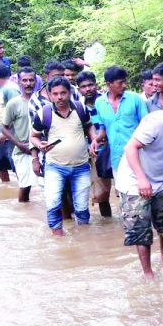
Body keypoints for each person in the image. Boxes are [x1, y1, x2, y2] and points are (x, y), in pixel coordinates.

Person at [116, 102, 163, 278]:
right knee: (140, 228)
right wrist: (141, 179)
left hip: (161, 179)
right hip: (134, 180)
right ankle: (148, 273)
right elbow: (130, 148)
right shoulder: (156, 121)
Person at [30, 77, 98, 236]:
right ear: (50, 94)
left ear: (69, 92)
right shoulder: (43, 114)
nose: (59, 97)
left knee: (82, 208)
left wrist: (94, 139)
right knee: (53, 204)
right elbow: (34, 136)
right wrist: (40, 146)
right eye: (55, 94)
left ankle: (83, 238)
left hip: (81, 166)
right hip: (55, 167)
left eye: (63, 93)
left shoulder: (81, 109)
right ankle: (58, 239)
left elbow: (89, 126)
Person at [94, 66, 149, 180]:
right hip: (116, 159)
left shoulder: (135, 99)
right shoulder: (99, 103)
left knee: (139, 194)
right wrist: (96, 140)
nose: (124, 85)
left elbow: (147, 126)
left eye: (125, 82)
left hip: (138, 159)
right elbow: (104, 128)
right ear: (109, 84)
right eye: (120, 82)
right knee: (122, 195)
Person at [1, 67, 40, 202]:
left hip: (42, 148)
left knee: (51, 186)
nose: (28, 83)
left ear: (36, 82)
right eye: (24, 80)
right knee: (25, 187)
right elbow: (4, 128)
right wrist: (19, 144)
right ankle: (24, 210)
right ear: (19, 82)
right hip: (23, 152)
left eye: (31, 80)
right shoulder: (13, 103)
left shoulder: (42, 101)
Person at [77, 71, 113, 217]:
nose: (88, 89)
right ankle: (108, 223)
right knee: (101, 194)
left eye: (90, 85)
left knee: (125, 190)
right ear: (79, 89)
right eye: (83, 86)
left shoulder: (107, 102)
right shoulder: (79, 107)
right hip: (94, 152)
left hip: (114, 149)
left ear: (96, 85)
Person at [0, 62, 21, 182]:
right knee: (0, 164)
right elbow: (1, 113)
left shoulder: (11, 89)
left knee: (16, 165)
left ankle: (23, 190)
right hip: (1, 131)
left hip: (12, 133)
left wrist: (4, 132)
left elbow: (17, 112)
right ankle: (6, 187)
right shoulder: (0, 88)